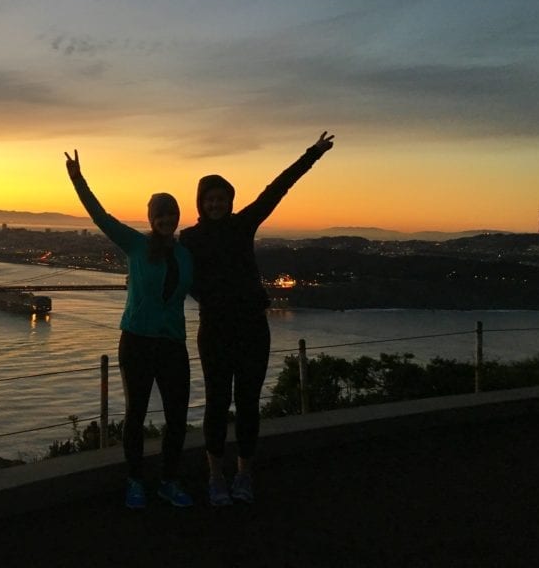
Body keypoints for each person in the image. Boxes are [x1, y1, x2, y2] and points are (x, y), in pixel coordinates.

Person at [179, 131, 335, 506]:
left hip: (251, 328)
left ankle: (244, 474)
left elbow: (277, 189)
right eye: (210, 199)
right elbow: (184, 280)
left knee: (248, 402)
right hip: (215, 329)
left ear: (230, 202)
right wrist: (211, 299)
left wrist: (311, 154)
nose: (216, 204)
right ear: (201, 203)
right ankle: (216, 475)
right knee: (217, 402)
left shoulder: (242, 224)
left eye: (222, 199)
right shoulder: (189, 238)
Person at [64, 149, 195, 509]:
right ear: (152, 218)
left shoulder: (186, 256)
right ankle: (135, 480)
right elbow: (100, 217)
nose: (167, 219)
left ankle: (170, 481)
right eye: (160, 214)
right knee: (135, 415)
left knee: (177, 417)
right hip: (137, 341)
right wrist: (78, 179)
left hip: (172, 344)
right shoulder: (135, 245)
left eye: (172, 213)